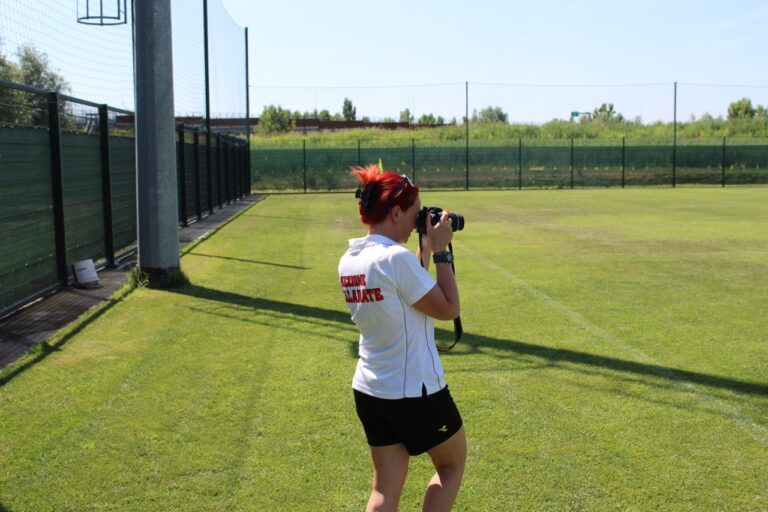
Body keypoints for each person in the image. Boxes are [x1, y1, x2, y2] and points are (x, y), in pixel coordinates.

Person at [338, 163, 466, 512]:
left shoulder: (350, 259)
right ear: (395, 212)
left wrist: (424, 246)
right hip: (415, 391)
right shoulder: (395, 259)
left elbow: (409, 289)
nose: (416, 222)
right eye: (414, 214)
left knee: (384, 489)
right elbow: (448, 308)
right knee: (451, 465)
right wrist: (441, 251)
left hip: (371, 389)